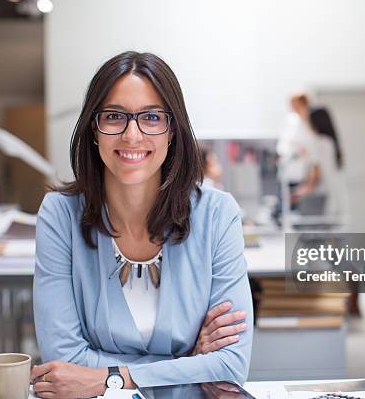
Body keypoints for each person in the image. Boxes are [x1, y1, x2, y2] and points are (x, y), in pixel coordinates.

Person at [30, 51, 253, 398]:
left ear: (172, 130)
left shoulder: (217, 214)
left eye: (151, 117)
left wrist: (107, 379)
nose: (132, 135)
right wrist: (189, 361)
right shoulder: (60, 216)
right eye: (115, 116)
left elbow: (230, 365)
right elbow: (64, 362)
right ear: (94, 128)